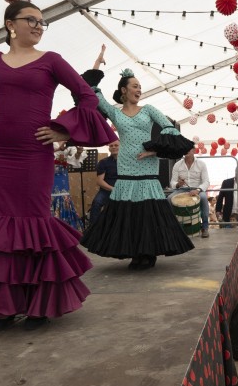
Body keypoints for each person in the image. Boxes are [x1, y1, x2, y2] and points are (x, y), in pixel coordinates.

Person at [0, 0, 117, 329]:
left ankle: (36, 303)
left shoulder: (51, 59)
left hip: (35, 152)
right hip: (0, 151)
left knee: (34, 222)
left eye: (41, 22)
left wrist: (62, 128)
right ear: (10, 25)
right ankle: (3, 304)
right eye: (31, 20)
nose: (38, 26)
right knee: (2, 224)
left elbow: (87, 95)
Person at [79, 51, 195, 270]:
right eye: (134, 86)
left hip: (147, 167)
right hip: (126, 168)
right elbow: (91, 91)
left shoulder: (148, 109)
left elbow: (169, 129)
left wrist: (154, 151)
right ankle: (134, 252)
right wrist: (97, 63)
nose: (139, 90)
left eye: (140, 86)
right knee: (128, 214)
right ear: (124, 90)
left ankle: (148, 252)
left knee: (148, 214)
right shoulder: (115, 113)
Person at [170, 146, 211, 238]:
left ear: (194, 150)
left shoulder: (201, 164)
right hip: (181, 189)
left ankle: (205, 227)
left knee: (204, 198)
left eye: (189, 148)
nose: (186, 150)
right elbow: (172, 182)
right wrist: (178, 184)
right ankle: (173, 227)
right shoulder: (177, 164)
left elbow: (206, 182)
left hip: (197, 189)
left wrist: (197, 190)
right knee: (169, 199)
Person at [50, 142, 84, 231]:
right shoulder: (49, 137)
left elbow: (75, 159)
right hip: (47, 172)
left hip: (62, 174)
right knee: (49, 197)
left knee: (64, 197)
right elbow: (39, 153)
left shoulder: (69, 140)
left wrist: (79, 152)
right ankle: (51, 229)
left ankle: (65, 229)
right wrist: (58, 149)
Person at [88, 141, 119, 226]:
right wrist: (113, 189)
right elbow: (100, 181)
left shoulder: (127, 162)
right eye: (111, 145)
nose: (113, 147)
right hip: (106, 190)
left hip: (123, 190)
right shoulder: (103, 162)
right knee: (96, 203)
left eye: (116, 145)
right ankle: (93, 230)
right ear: (109, 148)